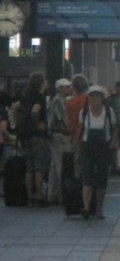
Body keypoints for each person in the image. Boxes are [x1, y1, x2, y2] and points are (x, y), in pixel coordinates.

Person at [78, 85, 117, 220]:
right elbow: (80, 130)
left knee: (102, 179)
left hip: (103, 148)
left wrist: (112, 144)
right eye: (91, 97)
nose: (94, 99)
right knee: (87, 177)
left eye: (97, 97)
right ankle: (87, 207)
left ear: (102, 98)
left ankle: (99, 208)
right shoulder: (83, 112)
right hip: (87, 147)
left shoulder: (108, 111)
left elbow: (114, 128)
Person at [17, 71, 50, 206]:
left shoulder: (26, 96)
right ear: (42, 83)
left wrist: (19, 123)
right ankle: (39, 196)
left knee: (29, 168)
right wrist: (36, 124)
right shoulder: (40, 97)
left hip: (25, 134)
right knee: (39, 167)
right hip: (37, 135)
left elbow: (15, 108)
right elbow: (35, 111)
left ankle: (30, 196)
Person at [46, 78, 72, 204]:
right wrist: (69, 131)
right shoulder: (58, 101)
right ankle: (63, 195)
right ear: (60, 88)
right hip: (60, 135)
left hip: (53, 135)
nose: (69, 88)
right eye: (66, 87)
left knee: (53, 166)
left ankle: (52, 194)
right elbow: (63, 118)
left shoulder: (54, 99)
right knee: (61, 165)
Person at [66, 74, 89, 165]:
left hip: (76, 135)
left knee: (77, 162)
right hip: (90, 136)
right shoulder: (91, 100)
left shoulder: (70, 102)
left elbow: (69, 121)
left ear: (73, 87)